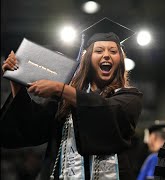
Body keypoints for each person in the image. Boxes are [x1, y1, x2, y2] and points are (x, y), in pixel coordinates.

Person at [0, 17, 143, 180]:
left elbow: (108, 112)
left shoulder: (129, 98)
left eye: (113, 51)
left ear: (120, 60)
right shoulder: (64, 100)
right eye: (99, 50)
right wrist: (16, 79)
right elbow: (33, 127)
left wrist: (59, 88)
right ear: (87, 58)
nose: (106, 55)